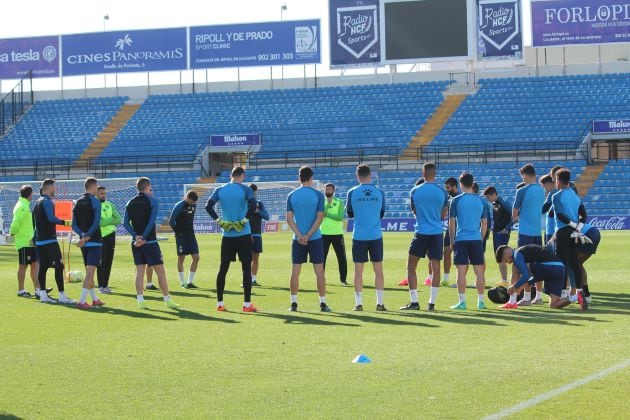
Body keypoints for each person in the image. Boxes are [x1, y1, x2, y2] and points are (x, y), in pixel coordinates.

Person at [205, 167, 258, 312]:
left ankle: (220, 304)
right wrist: (243, 221)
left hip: (227, 234)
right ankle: (247, 305)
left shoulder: (220, 189)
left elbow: (208, 206)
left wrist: (220, 221)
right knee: (246, 269)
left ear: (231, 175)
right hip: (243, 233)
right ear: (241, 175)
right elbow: (253, 206)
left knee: (223, 268)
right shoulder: (245, 189)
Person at [124, 177, 180, 310]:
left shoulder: (129, 203)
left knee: (139, 272)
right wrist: (143, 237)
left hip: (136, 243)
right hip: (150, 242)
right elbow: (151, 222)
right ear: (147, 187)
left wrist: (135, 236)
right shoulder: (152, 201)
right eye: (151, 188)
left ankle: (140, 301)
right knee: (160, 271)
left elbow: (125, 224)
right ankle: (167, 300)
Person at [401, 163, 448, 311]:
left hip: (421, 232)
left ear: (423, 173)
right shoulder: (442, 192)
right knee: (436, 268)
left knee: (411, 266)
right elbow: (443, 214)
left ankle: (414, 302)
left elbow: (414, 211)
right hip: (436, 233)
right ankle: (431, 304)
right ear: (435, 174)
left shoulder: (415, 190)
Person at [286, 166, 331, 312]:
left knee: (295, 271)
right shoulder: (318, 195)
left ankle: (293, 304)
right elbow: (319, 217)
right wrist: (309, 235)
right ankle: (323, 303)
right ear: (311, 178)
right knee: (319, 272)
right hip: (315, 238)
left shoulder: (292, 195)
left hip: (297, 239)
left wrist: (300, 235)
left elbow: (289, 219)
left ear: (299, 178)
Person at [346, 164, 386, 311]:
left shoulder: (352, 192)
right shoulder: (379, 192)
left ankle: (358, 304)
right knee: (378, 270)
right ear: (371, 174)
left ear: (357, 176)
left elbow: (350, 213)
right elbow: (382, 213)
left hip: (359, 235)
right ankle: (380, 304)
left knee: (358, 270)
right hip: (375, 235)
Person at [448, 173, 488, 310]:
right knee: (479, 272)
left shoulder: (456, 200)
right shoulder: (482, 201)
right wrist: (480, 239)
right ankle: (481, 302)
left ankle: (462, 302)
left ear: (460, 183)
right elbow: (485, 224)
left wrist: (452, 240)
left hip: (461, 239)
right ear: (472, 183)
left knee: (460, 272)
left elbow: (452, 223)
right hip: (476, 239)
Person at [32, 178, 75, 304]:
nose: (55, 189)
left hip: (40, 241)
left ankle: (43, 295)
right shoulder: (47, 202)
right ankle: (62, 295)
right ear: (49, 188)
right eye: (54, 187)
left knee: (43, 267)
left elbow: (35, 224)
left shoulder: (37, 202)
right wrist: (66, 222)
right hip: (49, 240)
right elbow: (51, 218)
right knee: (59, 266)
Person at [551, 168, 588, 310]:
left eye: (555, 180)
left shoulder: (556, 196)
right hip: (574, 232)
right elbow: (584, 215)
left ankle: (562, 295)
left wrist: (572, 225)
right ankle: (579, 293)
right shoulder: (575, 196)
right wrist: (578, 227)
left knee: (561, 264)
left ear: (558, 181)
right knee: (574, 263)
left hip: (562, 232)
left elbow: (559, 215)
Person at [495, 244, 571, 309]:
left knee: (515, 267)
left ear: (507, 254)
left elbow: (526, 276)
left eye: (505, 260)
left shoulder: (516, 254)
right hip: (561, 269)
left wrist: (514, 286)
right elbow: (538, 276)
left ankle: (512, 302)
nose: (507, 263)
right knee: (553, 304)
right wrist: (524, 284)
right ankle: (575, 297)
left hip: (549, 267)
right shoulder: (525, 253)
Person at [512, 163, 545, 306]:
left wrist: (523, 216)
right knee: (537, 264)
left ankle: (526, 297)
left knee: (524, 265)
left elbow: (514, 215)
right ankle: (538, 296)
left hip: (525, 232)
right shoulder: (542, 190)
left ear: (524, 175)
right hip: (538, 232)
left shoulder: (522, 191)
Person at [72, 177, 106, 309]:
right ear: (93, 187)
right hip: (94, 241)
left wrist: (82, 235)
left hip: (83, 243)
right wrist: (87, 237)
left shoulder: (77, 202)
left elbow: (74, 224)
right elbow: (96, 223)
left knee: (89, 272)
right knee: (90, 273)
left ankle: (95, 299)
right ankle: (81, 301)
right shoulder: (96, 202)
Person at [9, 185, 46, 299]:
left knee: (34, 265)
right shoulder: (22, 206)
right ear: (30, 194)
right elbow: (16, 221)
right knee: (23, 266)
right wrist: (12, 232)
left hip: (28, 241)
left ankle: (38, 289)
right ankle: (22, 290)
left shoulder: (24, 205)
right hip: (25, 242)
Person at [169, 190, 200, 289]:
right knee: (181, 258)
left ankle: (190, 282)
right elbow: (171, 221)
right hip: (181, 236)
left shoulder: (193, 205)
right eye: (192, 201)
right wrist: (177, 232)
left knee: (196, 257)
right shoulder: (179, 206)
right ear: (188, 198)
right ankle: (183, 282)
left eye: (194, 202)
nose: (193, 204)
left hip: (191, 235)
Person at [482, 186, 512, 287]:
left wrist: (507, 228)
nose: (488, 200)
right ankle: (503, 279)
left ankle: (505, 280)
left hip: (502, 233)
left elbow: (515, 216)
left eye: (488, 197)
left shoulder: (504, 203)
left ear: (493, 194)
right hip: (496, 233)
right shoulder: (494, 204)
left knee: (502, 256)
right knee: (498, 256)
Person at [321, 182, 348, 285]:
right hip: (324, 233)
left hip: (337, 233)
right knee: (322, 258)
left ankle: (343, 279)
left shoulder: (339, 201)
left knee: (341, 257)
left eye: (329, 189)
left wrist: (327, 214)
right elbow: (321, 214)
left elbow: (340, 217)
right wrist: (327, 205)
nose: (327, 191)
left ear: (333, 190)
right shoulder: (321, 202)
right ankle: (321, 278)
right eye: (326, 189)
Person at [96, 185, 121, 294]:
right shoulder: (95, 205)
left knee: (109, 261)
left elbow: (119, 219)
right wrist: (110, 220)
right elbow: (99, 222)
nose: (104, 195)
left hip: (111, 235)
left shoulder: (109, 204)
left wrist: (106, 221)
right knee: (101, 261)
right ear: (96, 194)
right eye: (101, 193)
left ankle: (106, 285)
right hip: (101, 235)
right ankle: (101, 286)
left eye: (105, 193)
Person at [249, 183, 269, 287]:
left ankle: (253, 279)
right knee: (247, 258)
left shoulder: (259, 204)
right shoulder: (245, 203)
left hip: (257, 235)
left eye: (254, 191)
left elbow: (267, 216)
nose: (253, 193)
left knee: (256, 258)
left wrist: (258, 211)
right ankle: (246, 279)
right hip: (246, 235)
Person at [576, 223, 600, 304]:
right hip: (594, 231)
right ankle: (586, 295)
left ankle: (583, 295)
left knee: (575, 265)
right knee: (578, 264)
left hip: (586, 233)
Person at [442, 177, 458, 287]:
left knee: (459, 254)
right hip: (450, 228)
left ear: (454, 187)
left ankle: (460, 279)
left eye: (448, 188)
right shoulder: (448, 197)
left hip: (460, 228)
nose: (446, 189)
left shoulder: (459, 197)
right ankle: (446, 278)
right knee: (446, 251)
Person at [540, 174, 556, 244]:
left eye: (544, 187)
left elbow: (543, 209)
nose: (544, 190)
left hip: (552, 229)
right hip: (554, 228)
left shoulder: (553, 193)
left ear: (549, 184)